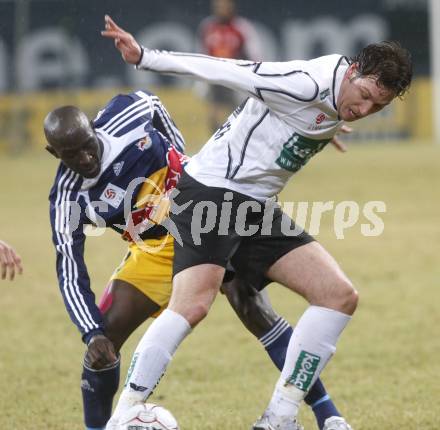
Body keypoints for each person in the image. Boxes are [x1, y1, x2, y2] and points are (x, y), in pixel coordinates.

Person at [102, 15, 412, 430]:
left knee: (338, 296)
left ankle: (279, 418)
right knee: (192, 305)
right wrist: (146, 57)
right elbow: (225, 69)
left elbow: (308, 120)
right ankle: (126, 414)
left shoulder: (341, 100)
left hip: (253, 205)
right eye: (365, 96)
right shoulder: (304, 82)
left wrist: (326, 130)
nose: (365, 109)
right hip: (210, 191)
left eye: (379, 106)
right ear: (353, 71)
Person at [46, 89, 350, 430]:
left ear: (93, 127)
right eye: (72, 155)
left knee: (252, 306)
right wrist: (90, 332)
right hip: (154, 249)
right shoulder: (67, 200)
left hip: (205, 216)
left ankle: (328, 415)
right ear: (53, 153)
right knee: (105, 338)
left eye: (88, 144)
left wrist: (184, 163)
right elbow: (70, 271)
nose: (86, 157)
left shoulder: (124, 114)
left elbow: (154, 102)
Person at [198, 0, 262, 133]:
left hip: (235, 75)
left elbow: (254, 53)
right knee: (214, 115)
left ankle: (237, 138)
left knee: (236, 113)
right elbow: (202, 53)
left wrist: (252, 76)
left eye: (224, 6)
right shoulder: (208, 27)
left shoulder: (241, 28)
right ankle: (215, 142)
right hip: (214, 77)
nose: (220, 9)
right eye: (218, 6)